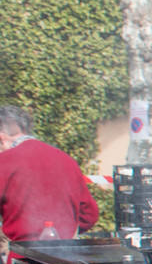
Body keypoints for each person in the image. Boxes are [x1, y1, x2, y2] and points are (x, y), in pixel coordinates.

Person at [0, 104, 98, 255]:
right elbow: (89, 215)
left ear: (2, 138)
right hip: (66, 258)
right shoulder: (65, 159)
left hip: (23, 257)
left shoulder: (5, 161)